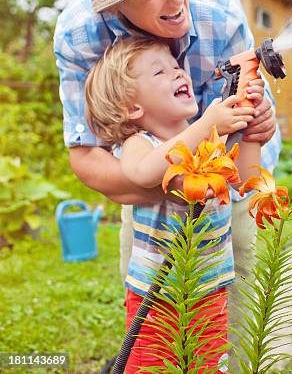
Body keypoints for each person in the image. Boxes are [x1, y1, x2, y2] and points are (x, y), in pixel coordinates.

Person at [54, 0, 279, 346]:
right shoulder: (80, 35)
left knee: (236, 343)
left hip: (218, 254)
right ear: (114, 2)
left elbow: (244, 177)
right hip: (152, 241)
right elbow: (97, 157)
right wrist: (177, 177)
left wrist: (256, 131)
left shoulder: (218, 10)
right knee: (153, 348)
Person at [84, 36, 261, 371]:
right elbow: (142, 172)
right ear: (134, 108)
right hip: (157, 298)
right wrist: (209, 124)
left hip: (209, 292)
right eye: (160, 72)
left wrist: (248, 129)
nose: (179, 73)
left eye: (177, 66)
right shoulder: (141, 143)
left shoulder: (209, 139)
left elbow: (245, 177)